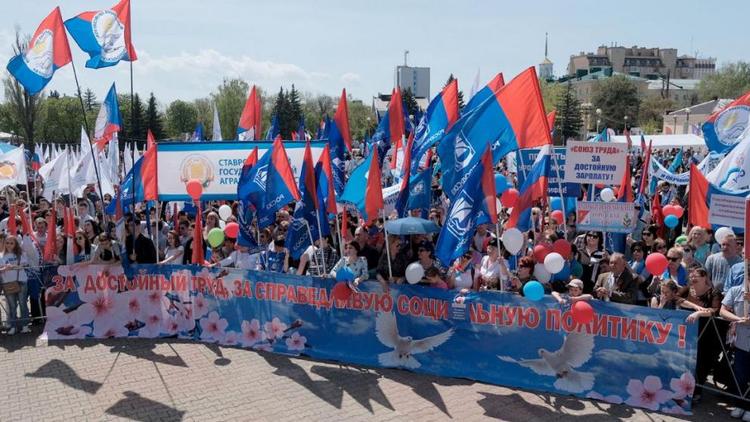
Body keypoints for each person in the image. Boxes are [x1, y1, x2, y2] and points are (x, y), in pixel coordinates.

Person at [682, 268, 722, 403]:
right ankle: (684, 391)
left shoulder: (713, 292)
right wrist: (693, 306)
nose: (692, 278)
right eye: (691, 276)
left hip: (706, 334)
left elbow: (715, 310)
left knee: (701, 364)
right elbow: (676, 298)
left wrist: (699, 313)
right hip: (688, 333)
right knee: (685, 362)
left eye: (696, 276)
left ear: (705, 277)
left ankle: (696, 392)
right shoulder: (688, 289)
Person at [719, 282, 750, 420]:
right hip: (741, 342)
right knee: (740, 375)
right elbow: (722, 311)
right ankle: (740, 404)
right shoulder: (736, 290)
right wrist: (739, 320)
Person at [0, 236, 30, 335]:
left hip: (21, 281)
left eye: (11, 243)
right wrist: (4, 269)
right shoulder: (1, 255)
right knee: (12, 306)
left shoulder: (21, 253)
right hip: (7, 283)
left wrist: (13, 267)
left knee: (22, 304)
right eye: (7, 243)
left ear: (15, 244)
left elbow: (25, 265)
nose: (9, 245)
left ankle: (25, 326)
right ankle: (13, 326)